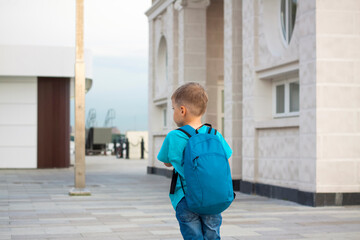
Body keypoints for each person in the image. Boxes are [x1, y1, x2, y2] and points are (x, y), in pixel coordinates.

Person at [157, 82, 232, 240]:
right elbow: (227, 159)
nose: (173, 112)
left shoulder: (174, 136)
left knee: (193, 237)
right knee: (212, 235)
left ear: (182, 110)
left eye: (173, 109)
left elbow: (166, 162)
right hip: (213, 198)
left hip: (185, 198)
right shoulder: (214, 134)